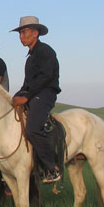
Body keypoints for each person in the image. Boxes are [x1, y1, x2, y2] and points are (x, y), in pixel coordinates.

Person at [11, 16, 62, 184]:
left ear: (35, 33)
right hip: (34, 92)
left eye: (24, 32)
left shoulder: (46, 51)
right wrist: (14, 97)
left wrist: (26, 96)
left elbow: (45, 77)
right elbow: (27, 84)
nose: (21, 36)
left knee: (32, 128)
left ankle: (52, 168)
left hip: (45, 93)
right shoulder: (30, 57)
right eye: (20, 33)